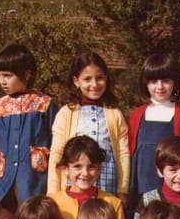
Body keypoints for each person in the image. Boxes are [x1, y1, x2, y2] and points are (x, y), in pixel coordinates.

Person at [0, 43, 57, 219]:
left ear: (26, 74)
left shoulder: (44, 104)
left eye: (8, 75)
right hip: (5, 182)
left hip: (34, 180)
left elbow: (55, 144)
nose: (2, 81)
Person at [47, 52, 129, 204]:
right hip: (73, 189)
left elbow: (123, 154)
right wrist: (52, 193)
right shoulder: (66, 113)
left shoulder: (115, 114)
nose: (94, 84)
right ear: (76, 81)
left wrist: (122, 190)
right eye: (87, 79)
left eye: (99, 78)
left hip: (107, 187)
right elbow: (56, 155)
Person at [128, 53, 180, 217]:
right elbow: (130, 152)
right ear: (145, 83)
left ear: (174, 82)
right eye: (153, 81)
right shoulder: (136, 115)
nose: (160, 86)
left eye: (166, 81)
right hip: (140, 183)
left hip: (170, 183)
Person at [49, 135, 126, 219]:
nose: (85, 173)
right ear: (65, 169)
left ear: (99, 168)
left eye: (91, 167)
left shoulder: (112, 203)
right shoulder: (53, 202)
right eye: (77, 166)